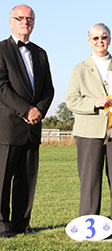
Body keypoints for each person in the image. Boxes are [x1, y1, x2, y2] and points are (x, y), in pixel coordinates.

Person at [66, 23, 112, 232]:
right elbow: (71, 101)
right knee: (89, 180)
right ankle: (89, 224)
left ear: (110, 39)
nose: (100, 41)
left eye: (103, 37)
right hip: (89, 131)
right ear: (89, 41)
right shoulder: (80, 69)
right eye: (95, 38)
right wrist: (94, 102)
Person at [0, 5, 54, 238]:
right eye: (20, 18)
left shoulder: (41, 53)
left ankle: (22, 223)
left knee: (27, 179)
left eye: (29, 19)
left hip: (33, 127)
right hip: (8, 127)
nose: (25, 22)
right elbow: (2, 86)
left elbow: (48, 89)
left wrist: (39, 110)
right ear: (10, 21)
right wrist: (25, 110)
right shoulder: (1, 50)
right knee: (2, 178)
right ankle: (2, 225)